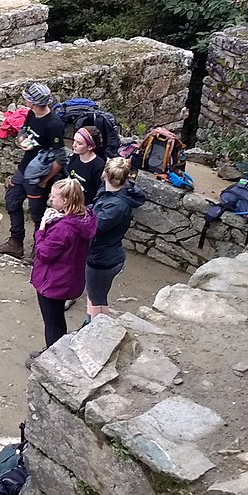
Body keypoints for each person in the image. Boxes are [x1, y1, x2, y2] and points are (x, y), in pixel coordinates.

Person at [0, 82, 67, 260]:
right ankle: (15, 243)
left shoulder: (54, 124)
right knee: (12, 201)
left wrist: (44, 180)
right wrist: (22, 139)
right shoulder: (31, 114)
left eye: (27, 98)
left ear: (33, 102)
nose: (24, 100)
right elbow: (24, 130)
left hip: (38, 176)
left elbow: (61, 158)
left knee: (37, 214)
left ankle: (39, 249)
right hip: (24, 169)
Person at [31, 177, 98, 359]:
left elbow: (44, 253)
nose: (50, 200)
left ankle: (52, 359)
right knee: (58, 318)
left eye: (54, 198)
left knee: (52, 323)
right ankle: (56, 350)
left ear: (66, 200)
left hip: (53, 281)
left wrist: (43, 227)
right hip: (68, 277)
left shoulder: (65, 228)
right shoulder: (86, 216)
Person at [85, 158, 144, 325]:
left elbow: (94, 227)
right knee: (95, 293)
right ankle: (90, 322)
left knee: (97, 298)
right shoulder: (112, 193)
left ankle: (95, 328)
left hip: (102, 259)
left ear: (105, 174)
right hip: (105, 254)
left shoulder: (116, 206)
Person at [64, 126, 106, 204]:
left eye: (79, 143)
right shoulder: (75, 156)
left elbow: (98, 192)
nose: (74, 145)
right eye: (74, 141)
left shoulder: (98, 166)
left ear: (90, 146)